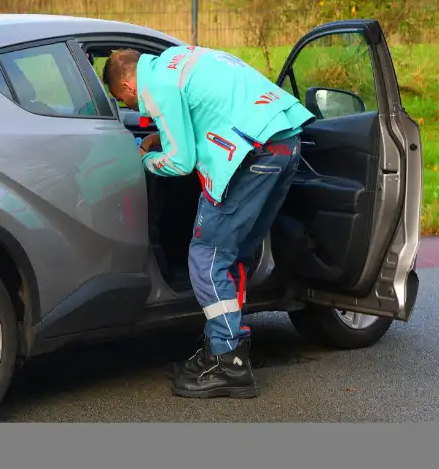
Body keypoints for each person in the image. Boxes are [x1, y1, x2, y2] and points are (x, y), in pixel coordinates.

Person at [102, 46, 315, 399]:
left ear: (127, 82)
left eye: (123, 99)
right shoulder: (177, 59)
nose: (130, 107)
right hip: (285, 140)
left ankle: (228, 360)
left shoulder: (156, 87)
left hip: (249, 153)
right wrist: (162, 138)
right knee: (238, 254)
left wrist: (144, 160)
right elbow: (206, 110)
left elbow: (180, 162)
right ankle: (223, 346)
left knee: (207, 257)